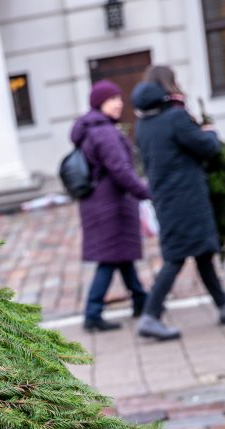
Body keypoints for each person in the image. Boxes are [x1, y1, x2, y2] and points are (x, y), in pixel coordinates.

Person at [131, 65, 225, 340]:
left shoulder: (143, 125)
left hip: (167, 197)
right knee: (175, 257)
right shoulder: (175, 118)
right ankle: (150, 316)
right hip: (186, 198)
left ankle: (224, 305)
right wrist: (209, 131)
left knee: (202, 252)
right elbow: (206, 147)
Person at [70, 80, 151, 332]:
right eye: (111, 99)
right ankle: (92, 313)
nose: (118, 103)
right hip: (110, 205)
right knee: (109, 258)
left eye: (119, 98)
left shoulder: (93, 129)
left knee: (121, 254)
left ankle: (141, 300)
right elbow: (120, 169)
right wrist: (145, 192)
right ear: (98, 103)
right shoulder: (104, 132)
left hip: (101, 202)